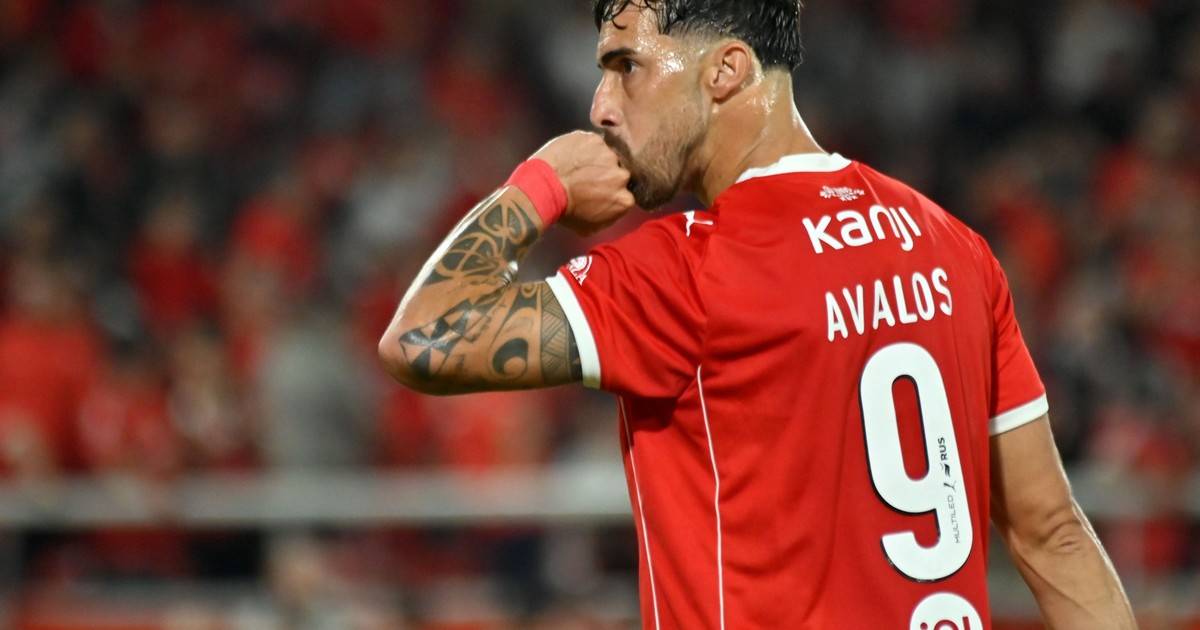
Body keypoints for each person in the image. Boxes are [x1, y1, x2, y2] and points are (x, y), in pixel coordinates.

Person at [378, 0, 1138, 627]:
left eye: (626, 66)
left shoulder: (687, 272)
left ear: (727, 71)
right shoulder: (953, 249)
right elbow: (1053, 534)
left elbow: (421, 335)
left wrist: (540, 183)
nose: (600, 107)